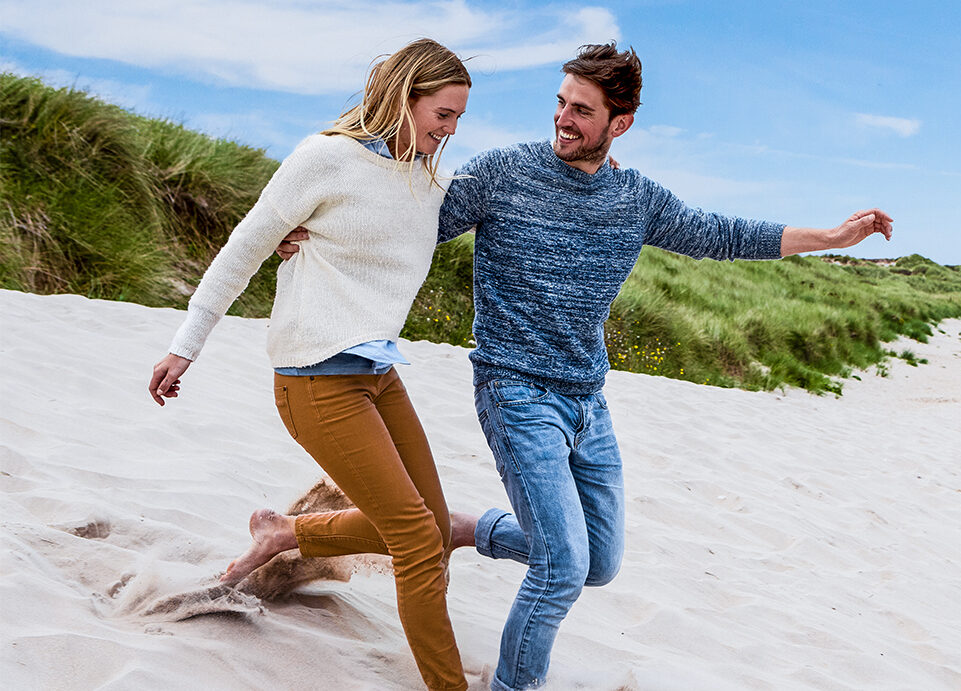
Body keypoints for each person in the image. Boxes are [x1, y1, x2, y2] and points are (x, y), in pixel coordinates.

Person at [279, 41, 892, 691]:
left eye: (582, 110)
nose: (564, 119)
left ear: (619, 123)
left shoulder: (636, 199)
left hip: (587, 402)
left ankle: (462, 527)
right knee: (562, 566)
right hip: (515, 390)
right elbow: (405, 223)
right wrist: (310, 229)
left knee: (599, 561)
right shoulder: (504, 174)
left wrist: (831, 238)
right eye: (561, 104)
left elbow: (722, 234)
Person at [148, 38, 474, 691]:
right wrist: (187, 342)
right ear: (403, 99)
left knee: (432, 530)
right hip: (315, 378)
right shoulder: (325, 159)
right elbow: (246, 246)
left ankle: (285, 532)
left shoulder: (428, 180)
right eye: (442, 114)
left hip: (379, 372)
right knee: (414, 539)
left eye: (460, 118)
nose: (451, 130)